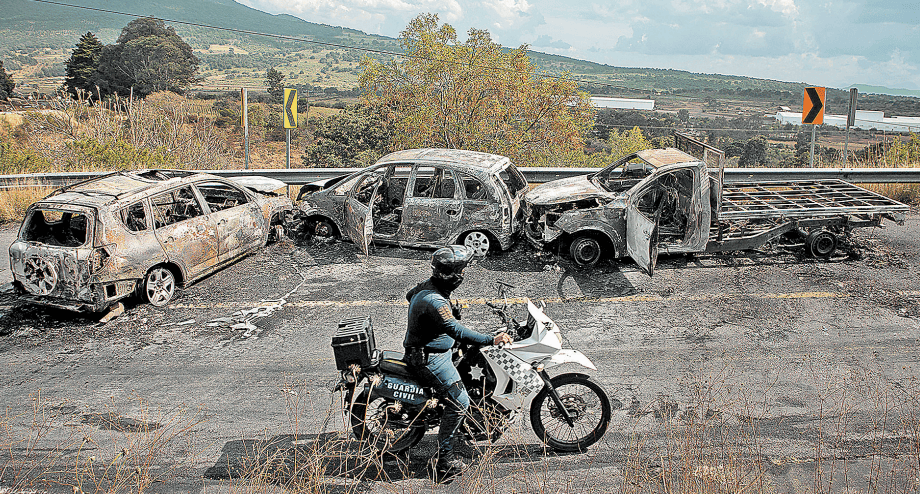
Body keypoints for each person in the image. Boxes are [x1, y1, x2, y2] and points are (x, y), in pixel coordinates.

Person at [403, 245, 513, 480]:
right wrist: (491, 340)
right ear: (451, 274)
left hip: (437, 349)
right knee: (460, 401)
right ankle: (445, 460)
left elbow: (409, 295)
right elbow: (456, 330)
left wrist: (434, 323)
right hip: (429, 358)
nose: (463, 275)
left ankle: (460, 430)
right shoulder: (435, 300)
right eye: (461, 271)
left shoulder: (430, 287)